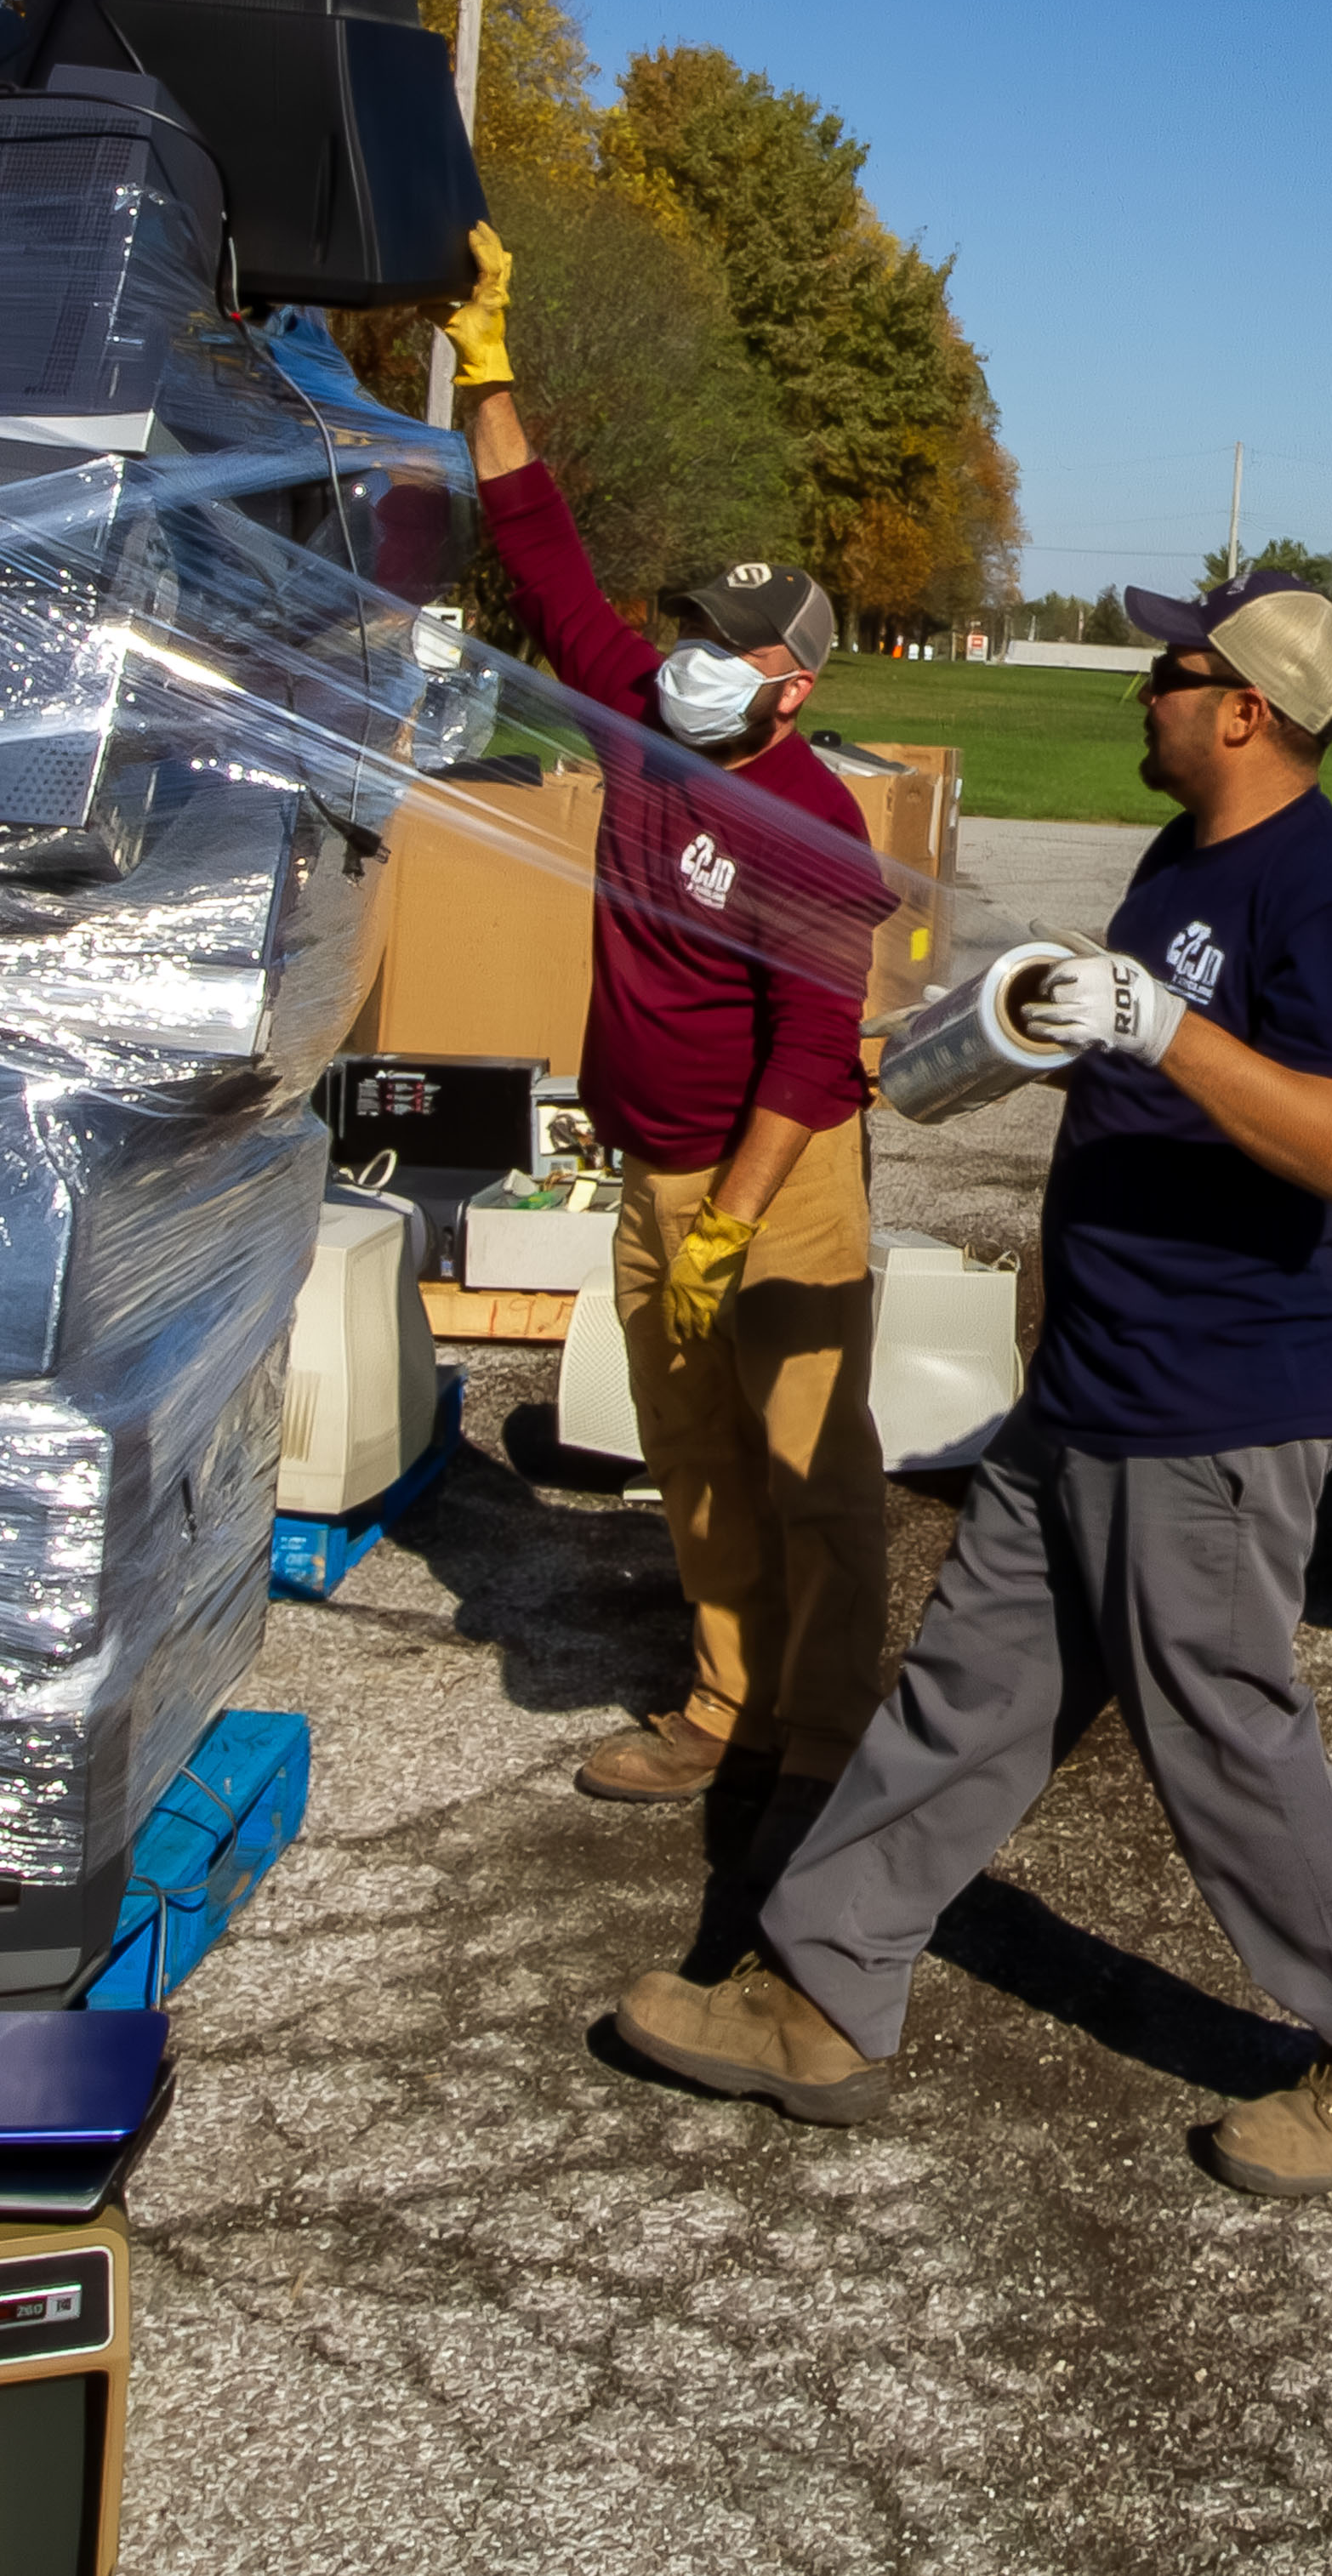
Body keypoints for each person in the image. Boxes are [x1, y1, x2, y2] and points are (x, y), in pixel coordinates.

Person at [611, 571, 1332, 2204]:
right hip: (1088, 1378)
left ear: (1245, 709)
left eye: (1168, 669)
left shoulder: (1331, 890)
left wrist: (1159, 1025)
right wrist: (999, 1035)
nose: (1137, 693)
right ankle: (823, 1990)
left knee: (1220, 1732)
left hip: (1214, 1404)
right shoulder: (1179, 859)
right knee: (966, 1694)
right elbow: (1123, 1052)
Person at [442, 230, 898, 1828]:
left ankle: (832, 1734)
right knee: (690, 1454)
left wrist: (739, 1221)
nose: (689, 653)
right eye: (688, 627)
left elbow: (809, 1046)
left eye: (727, 640)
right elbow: (540, 549)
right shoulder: (641, 725)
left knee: (814, 1472)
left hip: (778, 1184)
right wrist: (487, 369)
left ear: (791, 683)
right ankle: (730, 1699)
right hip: (657, 1176)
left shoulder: (811, 821)